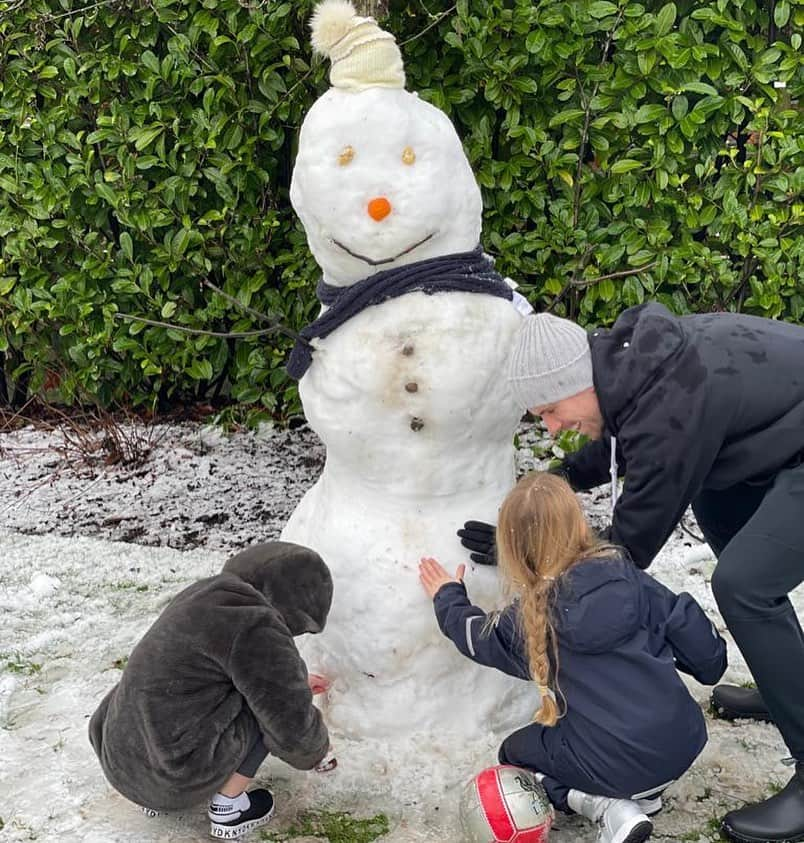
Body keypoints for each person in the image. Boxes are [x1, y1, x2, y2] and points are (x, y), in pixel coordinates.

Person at [460, 303, 804, 842]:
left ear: (578, 380)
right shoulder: (631, 370)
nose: (551, 428)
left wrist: (526, 543)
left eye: (550, 410)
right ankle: (787, 684)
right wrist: (558, 481)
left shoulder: (672, 409)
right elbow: (621, 441)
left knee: (745, 586)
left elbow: (620, 558)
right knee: (719, 508)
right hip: (778, 432)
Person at [426, 471, 726, 843]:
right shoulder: (631, 579)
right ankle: (644, 796)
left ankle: (606, 807)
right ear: (578, 523)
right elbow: (709, 660)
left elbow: (475, 638)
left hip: (616, 762)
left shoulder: (530, 619)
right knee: (617, 736)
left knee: (515, 753)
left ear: (512, 548)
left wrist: (447, 595)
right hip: (684, 741)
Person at [89, 541, 336, 840]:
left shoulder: (206, 595)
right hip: (174, 776)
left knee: (161, 687)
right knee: (267, 709)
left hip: (122, 763)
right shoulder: (256, 623)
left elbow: (210, 671)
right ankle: (230, 809)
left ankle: (153, 796)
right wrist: (317, 752)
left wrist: (296, 679)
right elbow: (288, 717)